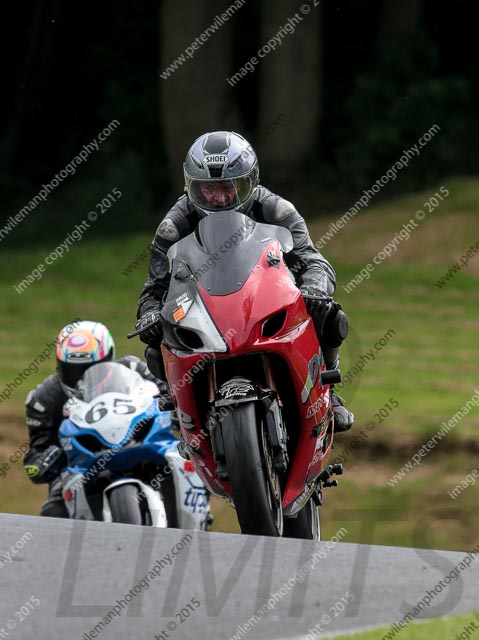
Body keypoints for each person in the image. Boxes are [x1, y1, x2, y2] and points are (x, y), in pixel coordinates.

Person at [136, 130, 354, 433]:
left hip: (268, 292)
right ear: (191, 187)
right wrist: (149, 314)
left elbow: (313, 260)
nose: (220, 198)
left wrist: (314, 287)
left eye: (229, 187)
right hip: (200, 304)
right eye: (208, 189)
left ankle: (329, 391)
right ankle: (184, 415)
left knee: (329, 313)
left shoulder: (277, 210)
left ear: (251, 181)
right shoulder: (173, 227)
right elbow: (155, 287)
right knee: (156, 338)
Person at [23, 320, 167, 518]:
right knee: (53, 511)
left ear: (108, 358)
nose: (82, 378)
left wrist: (175, 413)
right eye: (72, 370)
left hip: (138, 445)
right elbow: (34, 460)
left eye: (90, 368)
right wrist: (49, 457)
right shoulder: (43, 399)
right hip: (80, 466)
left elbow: (171, 394)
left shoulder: (135, 369)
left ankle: (194, 511)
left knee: (184, 459)